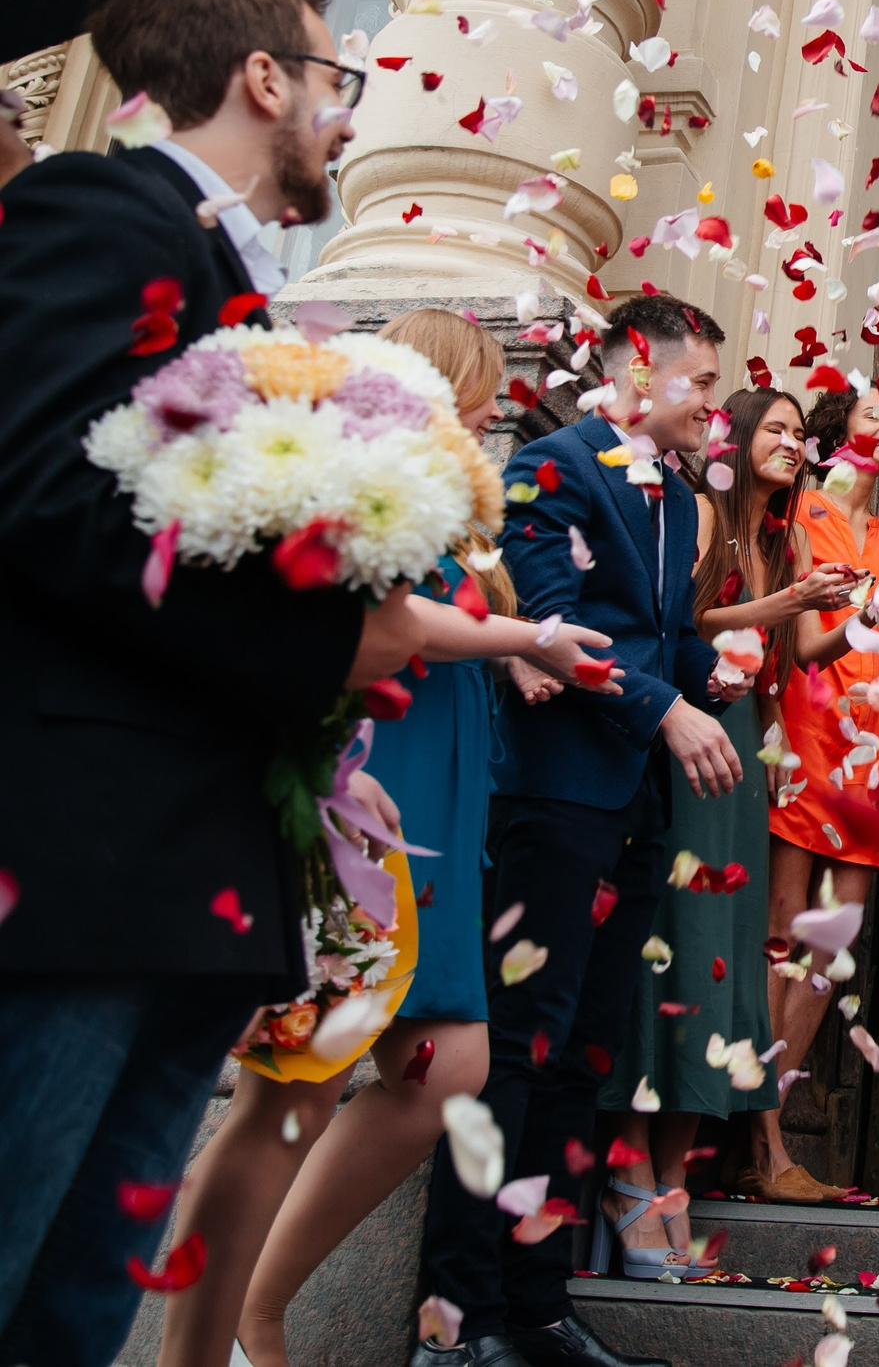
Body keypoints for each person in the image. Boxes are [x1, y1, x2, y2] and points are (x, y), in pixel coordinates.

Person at [0, 0, 428, 1367]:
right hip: (80, 855)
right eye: (335, 80)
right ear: (265, 80)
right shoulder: (94, 210)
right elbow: (44, 494)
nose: (345, 120)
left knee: (72, 1306)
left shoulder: (232, 277)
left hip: (190, 871)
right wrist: (327, 637)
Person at [159, 310, 622, 1367]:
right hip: (378, 785)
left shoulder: (447, 496)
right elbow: (400, 620)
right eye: (485, 381)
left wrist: (519, 651)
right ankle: (230, 1326)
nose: (496, 402)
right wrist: (528, 636)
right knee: (305, 1081)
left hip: (446, 807)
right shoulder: (363, 467)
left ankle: (255, 1304)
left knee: (444, 1063)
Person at [417, 295, 746, 1367]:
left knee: (583, 1059)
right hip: (555, 794)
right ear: (637, 370)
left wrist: (712, 672)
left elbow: (654, 633)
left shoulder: (668, 494)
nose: (714, 408)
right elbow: (555, 625)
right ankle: (454, 1318)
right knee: (516, 1052)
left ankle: (537, 1302)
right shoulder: (555, 466)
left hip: (631, 803)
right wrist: (670, 706)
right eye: (701, 384)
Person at [598, 385, 857, 1270]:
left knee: (726, 960)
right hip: (690, 744)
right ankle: (628, 1170)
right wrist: (781, 606)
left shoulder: (783, 537)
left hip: (745, 752)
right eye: (777, 429)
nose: (793, 443)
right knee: (677, 940)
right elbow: (684, 627)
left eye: (799, 433)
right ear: (739, 436)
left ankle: (672, 1175)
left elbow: (799, 650)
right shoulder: (704, 517)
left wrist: (856, 603)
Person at [749, 381, 879, 1201]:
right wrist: (859, 612)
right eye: (874, 413)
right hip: (806, 732)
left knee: (832, 946)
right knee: (784, 933)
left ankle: (765, 1110)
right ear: (836, 429)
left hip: (867, 755)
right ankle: (765, 1142)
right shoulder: (800, 514)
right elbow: (803, 640)